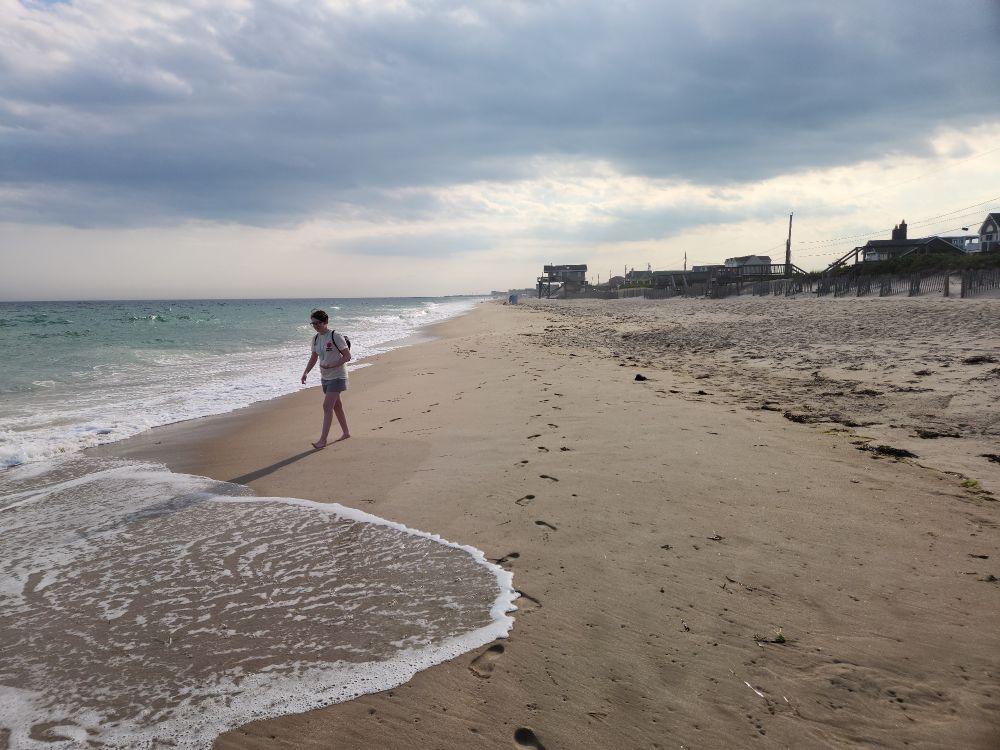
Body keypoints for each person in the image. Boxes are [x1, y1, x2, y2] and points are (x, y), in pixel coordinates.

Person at [301, 309, 351, 449]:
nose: (316, 325)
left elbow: (347, 356)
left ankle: (322, 440)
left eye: (318, 323)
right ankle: (346, 432)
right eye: (313, 323)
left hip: (338, 376)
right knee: (337, 406)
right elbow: (314, 357)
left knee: (327, 406)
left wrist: (332, 365)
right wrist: (306, 372)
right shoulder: (316, 339)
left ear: (325, 322)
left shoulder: (335, 336)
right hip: (325, 377)